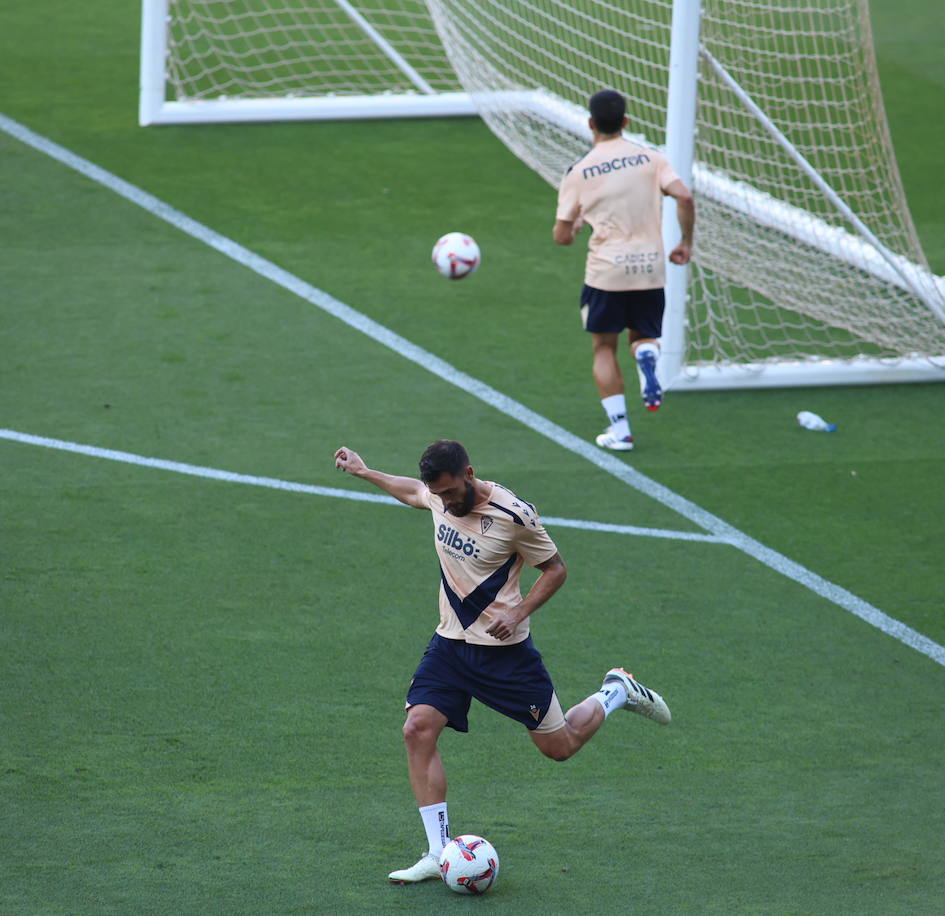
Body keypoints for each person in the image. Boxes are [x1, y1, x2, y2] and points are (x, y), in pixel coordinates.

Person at [332, 439, 671, 884]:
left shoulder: (514, 515)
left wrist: (518, 612)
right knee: (417, 729)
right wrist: (364, 471)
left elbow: (555, 569)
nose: (445, 501)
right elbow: (414, 491)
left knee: (560, 747)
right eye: (439, 493)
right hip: (450, 645)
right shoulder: (438, 496)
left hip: (505, 655)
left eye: (451, 491)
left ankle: (616, 691)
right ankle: (437, 852)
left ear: (469, 474)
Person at [554, 88, 696, 451]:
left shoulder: (579, 171)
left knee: (604, 348)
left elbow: (561, 237)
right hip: (650, 269)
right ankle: (646, 353)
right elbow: (684, 195)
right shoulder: (652, 158)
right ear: (626, 121)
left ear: (590, 124)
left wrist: (578, 224)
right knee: (642, 337)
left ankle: (621, 432)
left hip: (607, 272)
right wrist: (685, 242)